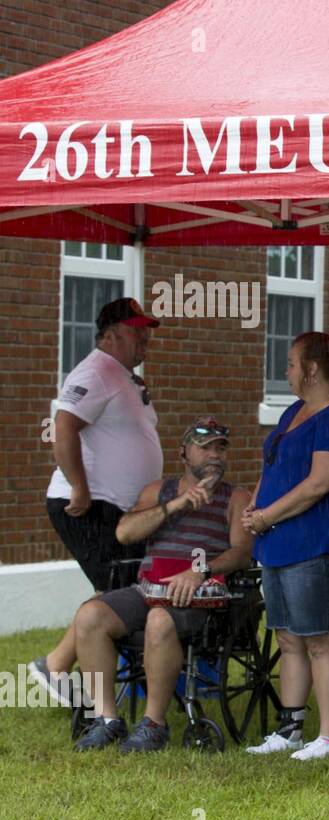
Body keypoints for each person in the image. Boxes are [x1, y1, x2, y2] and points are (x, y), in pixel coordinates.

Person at [71, 418, 253, 750]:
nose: (215, 455)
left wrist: (200, 570)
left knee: (159, 619)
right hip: (148, 590)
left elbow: (242, 554)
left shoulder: (236, 497)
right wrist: (176, 504)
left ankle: (153, 724)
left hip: (199, 597)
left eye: (220, 448)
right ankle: (107, 719)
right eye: (205, 447)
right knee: (89, 616)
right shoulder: (158, 491)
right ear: (184, 452)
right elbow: (125, 533)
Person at [30, 298, 164, 707]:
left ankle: (74, 668)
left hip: (119, 509)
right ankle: (54, 666)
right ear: (109, 335)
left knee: (121, 586)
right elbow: (64, 426)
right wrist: (79, 486)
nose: (144, 337)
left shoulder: (121, 375)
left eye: (146, 330)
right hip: (91, 504)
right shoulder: (96, 370)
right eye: (136, 330)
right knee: (115, 588)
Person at [242, 331, 329, 761]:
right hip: (275, 543)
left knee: (318, 639)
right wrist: (256, 505)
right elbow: (273, 464)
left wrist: (267, 514)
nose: (286, 371)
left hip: (312, 542)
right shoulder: (293, 411)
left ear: (312, 370)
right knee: (287, 638)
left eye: (291, 364)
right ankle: (290, 728)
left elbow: (319, 483)